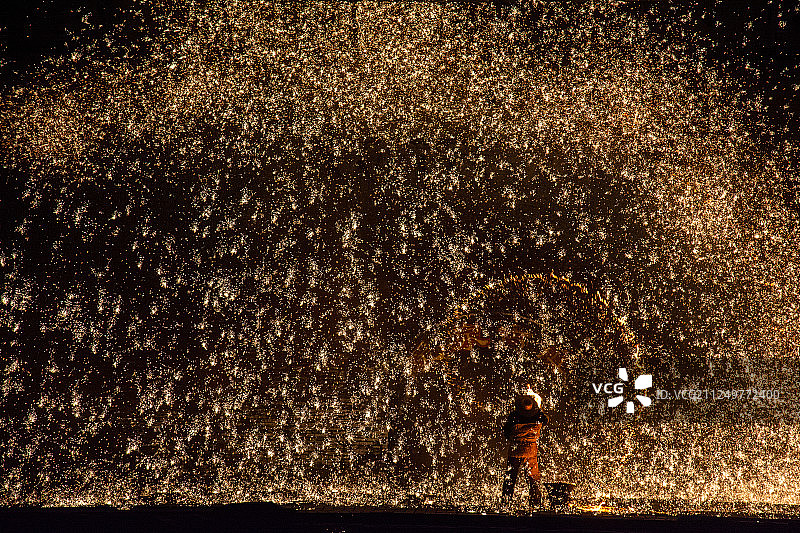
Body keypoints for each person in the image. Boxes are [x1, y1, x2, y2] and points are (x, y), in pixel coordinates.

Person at [501, 391, 549, 508]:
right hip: (530, 450)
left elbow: (506, 431)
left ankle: (505, 503)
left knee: (510, 477)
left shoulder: (514, 416)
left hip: (515, 450)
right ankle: (535, 503)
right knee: (533, 478)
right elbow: (546, 420)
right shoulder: (538, 415)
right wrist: (539, 408)